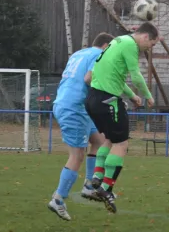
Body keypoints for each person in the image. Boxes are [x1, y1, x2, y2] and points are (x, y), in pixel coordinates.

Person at [85, 22, 159, 213]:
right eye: (151, 44)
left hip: (93, 98)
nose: (148, 49)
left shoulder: (117, 42)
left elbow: (115, 76)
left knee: (109, 140)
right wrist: (148, 95)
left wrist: (133, 96)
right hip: (108, 100)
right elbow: (135, 76)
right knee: (122, 144)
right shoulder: (130, 46)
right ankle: (106, 189)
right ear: (144, 37)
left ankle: (97, 177)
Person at [47, 32, 117, 222]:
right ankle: (58, 199)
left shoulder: (79, 53)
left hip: (73, 105)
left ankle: (89, 185)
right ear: (105, 46)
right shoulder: (98, 55)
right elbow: (88, 79)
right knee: (77, 155)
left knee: (100, 141)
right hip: (74, 108)